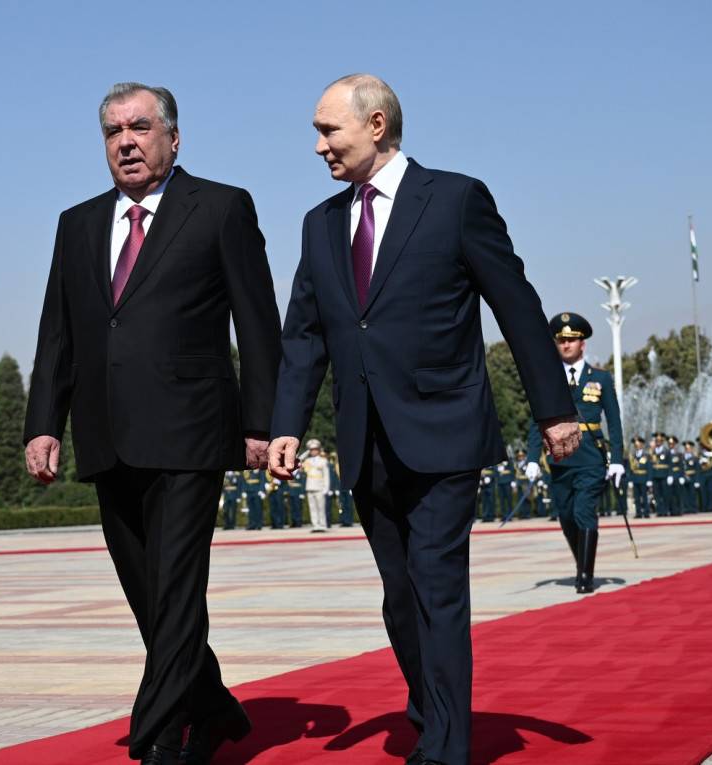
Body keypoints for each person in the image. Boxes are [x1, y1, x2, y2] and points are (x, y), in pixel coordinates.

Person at [267, 74, 579, 765]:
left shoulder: (456, 200)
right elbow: (305, 335)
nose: (318, 146)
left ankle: (445, 744)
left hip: (443, 429)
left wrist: (554, 409)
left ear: (376, 125)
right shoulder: (319, 223)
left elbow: (517, 306)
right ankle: (429, 703)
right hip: (364, 437)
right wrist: (286, 423)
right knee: (400, 595)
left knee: (437, 583)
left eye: (328, 130)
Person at [22, 82, 281, 764]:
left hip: (192, 433)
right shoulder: (76, 223)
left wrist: (265, 422)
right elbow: (59, 332)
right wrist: (42, 422)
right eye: (113, 131)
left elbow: (258, 326)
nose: (126, 142)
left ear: (173, 136)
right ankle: (217, 708)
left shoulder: (221, 207)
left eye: (139, 127)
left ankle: (161, 734)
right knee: (146, 591)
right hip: (106, 435)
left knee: (175, 585)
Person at [524, 312, 624, 595]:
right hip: (561, 458)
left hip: (591, 457)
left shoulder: (601, 378)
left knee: (583, 511)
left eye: (572, 339)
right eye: (561, 340)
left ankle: (585, 575)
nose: (566, 345)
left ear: (583, 343)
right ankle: (581, 561)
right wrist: (532, 457)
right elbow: (538, 420)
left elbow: (614, 422)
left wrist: (617, 460)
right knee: (566, 515)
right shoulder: (549, 378)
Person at [302, 440, 331, 532]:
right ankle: (315, 525)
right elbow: (299, 461)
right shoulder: (307, 460)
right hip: (310, 486)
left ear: (318, 450)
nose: (313, 451)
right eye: (311, 450)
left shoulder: (323, 460)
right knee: (312, 507)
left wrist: (326, 488)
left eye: (315, 449)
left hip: (319, 487)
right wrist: (305, 453)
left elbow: (326, 475)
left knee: (321, 507)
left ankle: (322, 525)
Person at [628, 435, 651, 519]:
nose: (637, 446)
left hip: (644, 478)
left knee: (644, 497)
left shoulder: (646, 455)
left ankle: (646, 512)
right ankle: (638, 513)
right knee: (636, 497)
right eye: (635, 445)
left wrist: (649, 479)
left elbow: (649, 468)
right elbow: (630, 469)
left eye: (638, 444)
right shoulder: (633, 456)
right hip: (635, 478)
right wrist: (630, 480)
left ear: (642, 445)